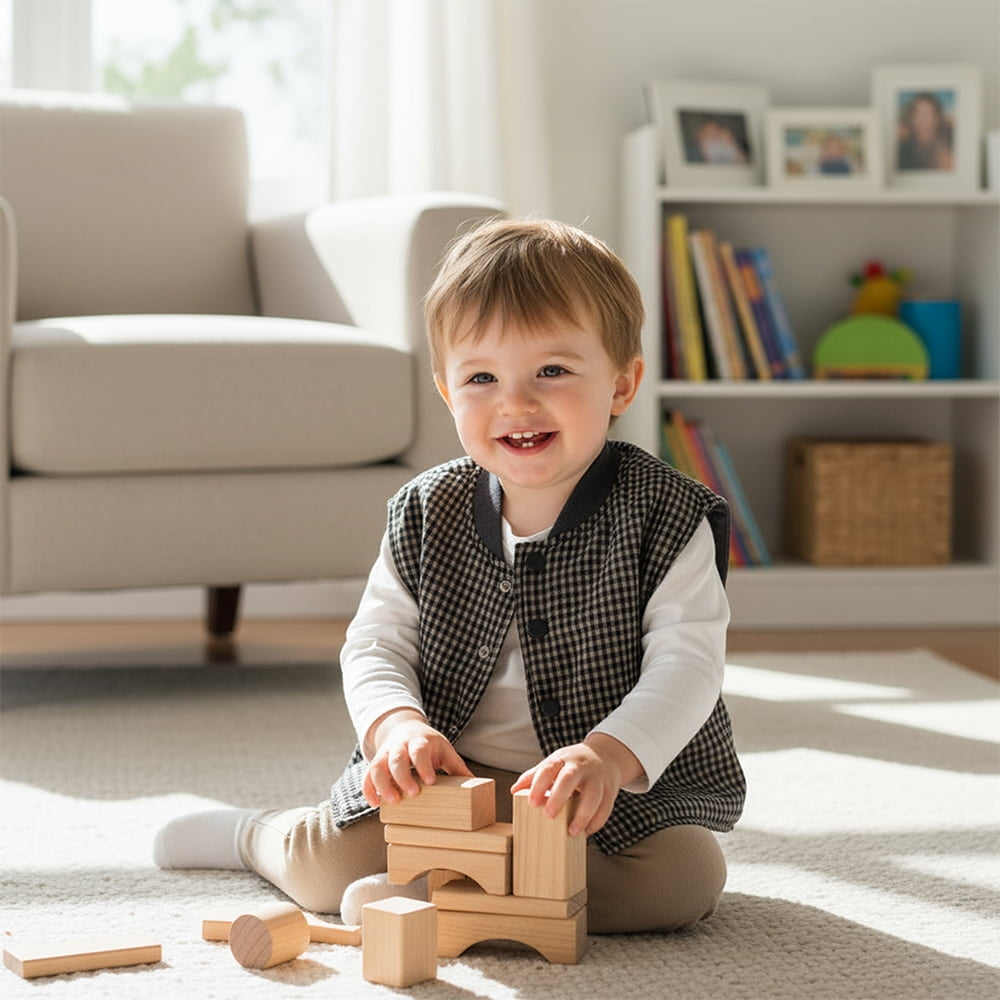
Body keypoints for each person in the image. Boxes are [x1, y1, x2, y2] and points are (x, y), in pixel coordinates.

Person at [154, 218, 746, 935]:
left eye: (552, 371)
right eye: (482, 378)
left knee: (679, 884)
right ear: (447, 390)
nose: (516, 402)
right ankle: (257, 835)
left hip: (596, 796)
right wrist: (397, 728)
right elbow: (376, 645)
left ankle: (435, 897)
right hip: (447, 776)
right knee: (323, 866)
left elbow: (687, 665)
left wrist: (608, 757)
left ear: (622, 382)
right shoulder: (426, 511)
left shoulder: (668, 514)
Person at [897, 91, 954, 171]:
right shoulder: (902, 150)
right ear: (911, 118)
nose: (923, 119)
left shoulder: (948, 148)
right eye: (919, 113)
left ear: (937, 118)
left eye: (928, 113)